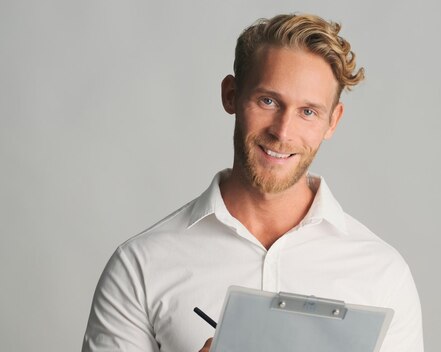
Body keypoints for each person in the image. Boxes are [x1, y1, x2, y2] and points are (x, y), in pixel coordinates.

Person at [82, 13, 423, 352]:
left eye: (308, 112)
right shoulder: (141, 265)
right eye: (268, 101)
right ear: (231, 95)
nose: (282, 132)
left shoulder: (383, 274)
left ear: (332, 121)